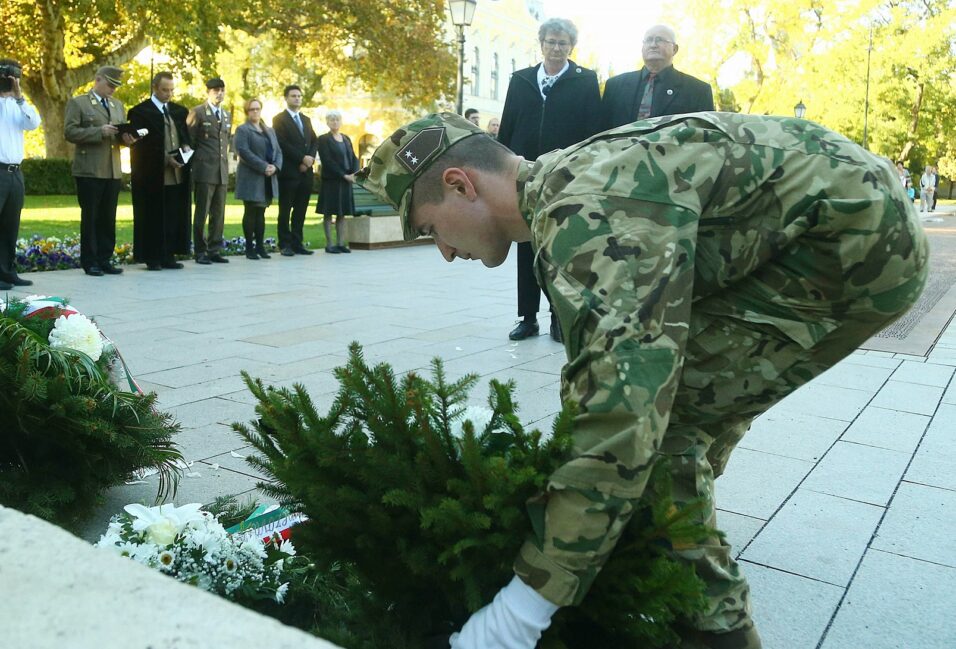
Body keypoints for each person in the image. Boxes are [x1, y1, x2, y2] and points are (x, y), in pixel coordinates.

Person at [355, 112, 928, 649]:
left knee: (659, 437)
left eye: (430, 229)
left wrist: (522, 609)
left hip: (850, 244)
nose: (445, 253)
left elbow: (620, 411)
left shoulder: (583, 216)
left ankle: (715, 631)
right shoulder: (569, 185)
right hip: (838, 218)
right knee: (666, 418)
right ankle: (657, 539)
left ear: (460, 184)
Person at [497, 17, 602, 343]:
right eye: (551, 42)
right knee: (526, 244)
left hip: (566, 177)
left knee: (562, 248)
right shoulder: (521, 80)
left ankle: (560, 316)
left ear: (572, 46)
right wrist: (502, 170)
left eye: (563, 43)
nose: (556, 48)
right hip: (525, 176)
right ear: (541, 44)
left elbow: (594, 133)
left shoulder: (585, 81)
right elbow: (507, 127)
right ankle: (527, 317)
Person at [64, 65, 136, 277]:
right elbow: (70, 132)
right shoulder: (79, 103)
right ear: (97, 80)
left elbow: (118, 135)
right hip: (89, 170)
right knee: (91, 216)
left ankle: (105, 258)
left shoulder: (117, 105)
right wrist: (98, 131)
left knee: (108, 217)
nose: (113, 90)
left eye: (116, 86)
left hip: (112, 169)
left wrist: (127, 139)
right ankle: (90, 261)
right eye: (110, 85)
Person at [127, 71, 192, 271]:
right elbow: (140, 145)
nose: (169, 94)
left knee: (173, 212)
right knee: (153, 214)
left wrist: (186, 148)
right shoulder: (141, 112)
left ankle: (169, 254)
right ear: (155, 88)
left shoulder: (178, 112)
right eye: (165, 90)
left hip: (176, 173)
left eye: (172, 90)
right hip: (152, 174)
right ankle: (152, 256)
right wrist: (165, 158)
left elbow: (184, 136)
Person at [602, 24, 714, 130]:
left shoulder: (697, 90)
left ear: (674, 49)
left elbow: (705, 137)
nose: (653, 45)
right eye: (648, 40)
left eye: (659, 40)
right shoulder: (615, 86)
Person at [0, 58, 38, 290]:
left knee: (10, 225)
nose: (11, 81)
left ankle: (7, 272)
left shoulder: (18, 104)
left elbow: (34, 123)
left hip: (15, 173)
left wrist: (19, 97)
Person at [187, 77, 231, 265]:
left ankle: (214, 248)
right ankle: (200, 250)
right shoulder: (198, 112)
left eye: (221, 90)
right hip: (204, 169)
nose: (219, 93)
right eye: (215, 90)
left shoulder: (227, 115)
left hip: (221, 170)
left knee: (219, 213)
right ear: (208, 92)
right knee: (202, 212)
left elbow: (225, 141)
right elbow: (189, 140)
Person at [272, 85, 317, 256]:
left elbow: (314, 141)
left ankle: (298, 243)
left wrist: (310, 159)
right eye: (293, 96)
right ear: (286, 98)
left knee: (301, 210)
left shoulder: (306, 119)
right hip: (289, 172)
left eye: (299, 96)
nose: (297, 98)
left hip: (306, 173)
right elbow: (282, 143)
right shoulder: (279, 119)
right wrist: (301, 158)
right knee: (285, 210)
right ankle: (284, 244)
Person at [234, 98, 281, 260]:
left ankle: (260, 246)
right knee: (251, 211)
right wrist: (263, 166)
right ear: (247, 112)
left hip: (268, 178)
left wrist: (275, 166)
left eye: (258, 109)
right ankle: (249, 248)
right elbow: (244, 152)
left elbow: (278, 151)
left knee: (261, 212)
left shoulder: (269, 130)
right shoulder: (243, 130)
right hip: (251, 177)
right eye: (252, 109)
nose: (255, 112)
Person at [316, 110, 359, 254]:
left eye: (337, 120)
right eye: (331, 120)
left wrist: (354, 172)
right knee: (328, 213)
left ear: (341, 122)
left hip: (346, 180)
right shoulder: (323, 139)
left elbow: (353, 157)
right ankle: (329, 244)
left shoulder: (346, 138)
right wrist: (343, 175)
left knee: (342, 213)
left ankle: (341, 243)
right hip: (332, 181)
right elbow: (327, 161)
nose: (335, 122)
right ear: (327, 122)